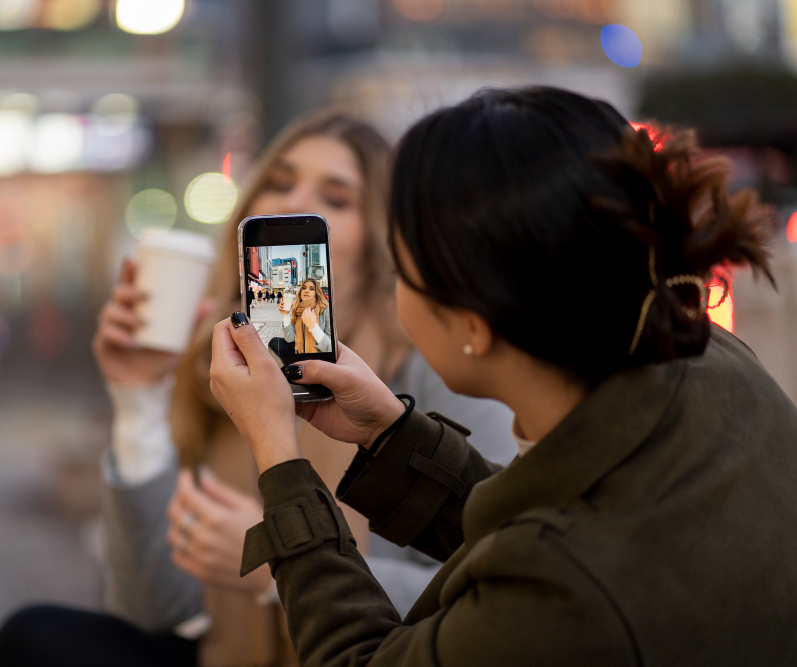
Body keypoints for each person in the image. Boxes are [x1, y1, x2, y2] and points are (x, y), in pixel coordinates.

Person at [205, 87, 797, 665]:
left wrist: (281, 460)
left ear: (473, 324)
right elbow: (539, 516)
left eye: (403, 271)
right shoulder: (711, 361)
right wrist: (390, 434)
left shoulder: (567, 588)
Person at [0, 110, 515, 667]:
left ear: (382, 237)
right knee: (33, 639)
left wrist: (276, 558)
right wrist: (139, 394)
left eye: (336, 198)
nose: (292, 204)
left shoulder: (429, 364)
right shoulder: (216, 365)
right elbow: (152, 607)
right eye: (279, 184)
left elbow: (482, 594)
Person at [269, 278, 331, 356]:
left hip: (320, 356)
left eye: (311, 289)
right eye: (304, 288)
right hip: (299, 352)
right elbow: (289, 338)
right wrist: (285, 315)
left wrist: (313, 327)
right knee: (274, 343)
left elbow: (330, 347)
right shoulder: (296, 309)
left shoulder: (325, 309)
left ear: (316, 293)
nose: (306, 291)